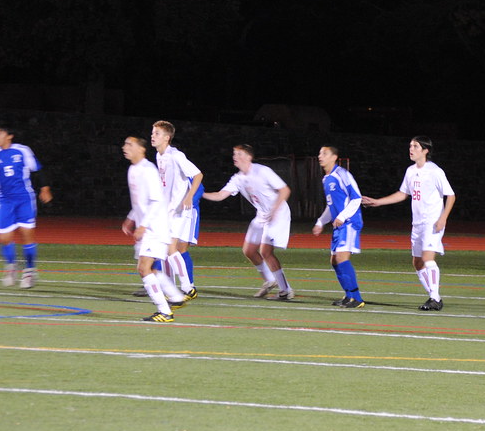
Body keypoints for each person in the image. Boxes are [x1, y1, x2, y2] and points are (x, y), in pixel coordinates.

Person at [362, 136, 456, 311]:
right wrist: (378, 202)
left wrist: (443, 218)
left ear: (425, 150)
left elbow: (450, 195)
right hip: (418, 223)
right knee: (417, 263)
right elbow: (403, 194)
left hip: (432, 222)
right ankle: (434, 296)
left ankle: (434, 298)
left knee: (428, 258)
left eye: (415, 146)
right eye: (410, 146)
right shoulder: (410, 171)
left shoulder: (435, 171)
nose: (411, 149)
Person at [202, 144, 294, 301]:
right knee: (249, 250)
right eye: (234, 153)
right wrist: (199, 194)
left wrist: (273, 211)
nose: (235, 156)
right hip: (262, 215)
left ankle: (286, 290)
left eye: (239, 154)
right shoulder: (238, 178)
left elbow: (285, 190)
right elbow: (220, 195)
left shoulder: (262, 171)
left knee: (265, 251)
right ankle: (269, 280)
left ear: (249, 157)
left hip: (278, 213)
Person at [0, 121, 53, 289]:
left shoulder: (23, 151)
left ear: (9, 135)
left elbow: (37, 170)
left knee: (26, 234)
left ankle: (30, 271)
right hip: (4, 200)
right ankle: (11, 266)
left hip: (24, 199)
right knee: (4, 238)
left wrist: (45, 188)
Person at [121, 136, 186, 322]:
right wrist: (130, 219)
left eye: (129, 144)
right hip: (148, 228)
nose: (125, 147)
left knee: (143, 268)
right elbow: (141, 202)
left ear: (141, 150)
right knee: (148, 269)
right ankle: (175, 296)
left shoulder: (148, 170)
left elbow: (157, 200)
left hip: (155, 228)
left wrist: (142, 225)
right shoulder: (133, 169)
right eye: (125, 144)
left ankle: (165, 311)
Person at [150, 120, 203, 301]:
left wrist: (189, 197)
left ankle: (188, 288)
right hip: (167, 211)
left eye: (157, 133)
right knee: (165, 251)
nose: (153, 136)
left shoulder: (176, 155)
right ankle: (172, 289)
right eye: (153, 132)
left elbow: (198, 175)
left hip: (179, 211)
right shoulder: (159, 156)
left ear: (167, 137)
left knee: (171, 248)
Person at [311, 145, 365, 308]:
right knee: (334, 260)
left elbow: (356, 198)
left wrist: (342, 216)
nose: (320, 156)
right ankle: (349, 296)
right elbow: (331, 205)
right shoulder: (326, 179)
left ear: (334, 157)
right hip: (339, 225)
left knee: (341, 258)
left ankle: (357, 298)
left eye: (325, 153)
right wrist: (321, 222)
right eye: (320, 153)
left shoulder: (342, 174)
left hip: (349, 222)